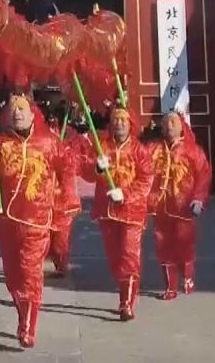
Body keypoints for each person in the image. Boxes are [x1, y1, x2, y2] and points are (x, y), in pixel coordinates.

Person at [0, 92, 67, 348]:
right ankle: (23, 309)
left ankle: (27, 326)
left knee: (30, 272)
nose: (16, 113)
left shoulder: (49, 142)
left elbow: (65, 172)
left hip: (37, 220)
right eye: (12, 109)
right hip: (8, 218)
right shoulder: (1, 143)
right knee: (13, 276)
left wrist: (63, 206)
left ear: (32, 114)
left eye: (22, 109)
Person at [76, 104, 154, 321]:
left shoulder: (140, 151)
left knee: (130, 257)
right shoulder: (102, 147)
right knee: (116, 260)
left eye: (123, 120)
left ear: (131, 124)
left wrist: (126, 194)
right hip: (107, 212)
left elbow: (146, 180)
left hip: (132, 212)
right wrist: (97, 168)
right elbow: (86, 172)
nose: (119, 123)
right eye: (116, 119)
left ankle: (126, 303)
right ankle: (125, 290)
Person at [147, 110, 211, 300]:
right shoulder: (153, 149)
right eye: (166, 123)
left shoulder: (193, 150)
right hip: (160, 206)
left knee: (184, 245)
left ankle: (188, 276)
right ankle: (170, 287)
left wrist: (199, 198)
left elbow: (203, 176)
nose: (169, 126)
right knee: (163, 246)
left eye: (173, 122)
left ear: (181, 125)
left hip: (184, 206)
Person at [49, 104, 82, 278]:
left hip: (65, 195)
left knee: (61, 235)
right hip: (45, 194)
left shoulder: (73, 138)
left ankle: (61, 262)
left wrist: (64, 157)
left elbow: (78, 161)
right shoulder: (45, 135)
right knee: (44, 234)